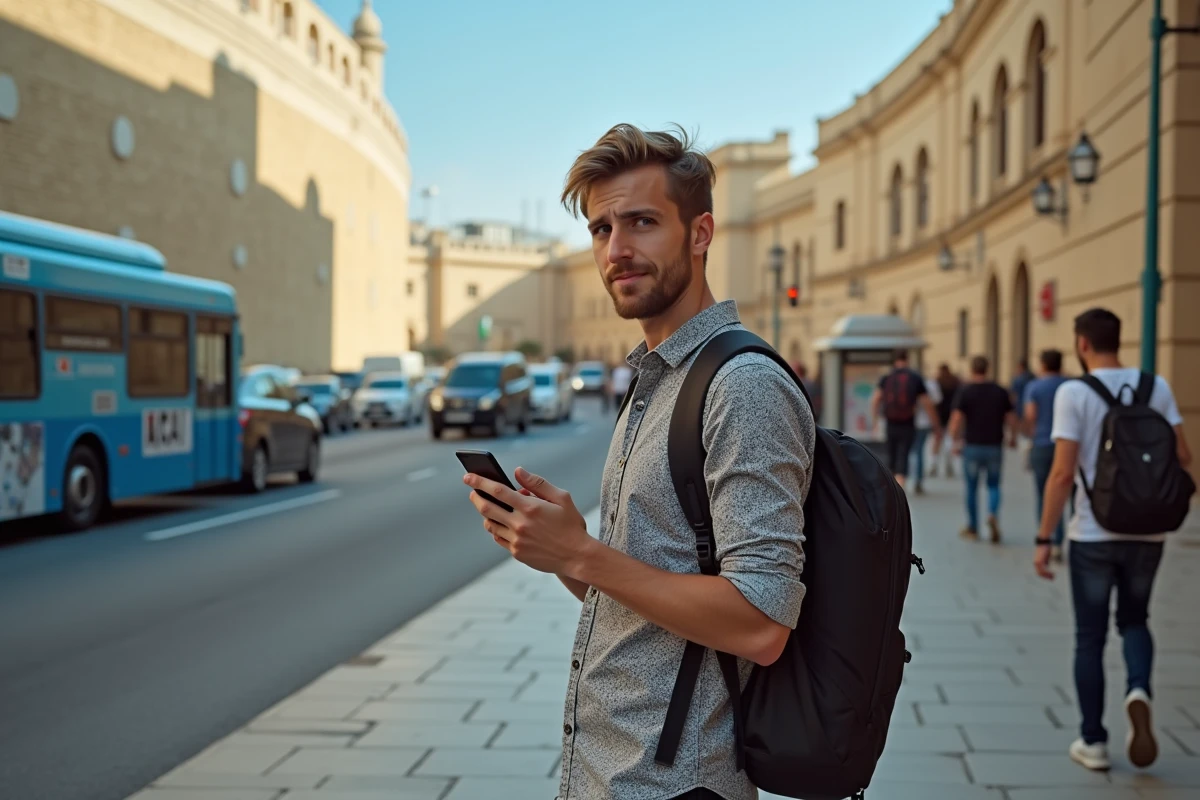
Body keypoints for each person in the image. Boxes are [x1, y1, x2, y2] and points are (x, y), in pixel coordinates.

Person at [463, 124, 814, 800]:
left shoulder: (741, 385)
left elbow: (762, 624)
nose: (616, 250)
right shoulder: (657, 380)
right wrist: (564, 551)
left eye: (642, 222)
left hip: (677, 784)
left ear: (701, 232)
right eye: (600, 229)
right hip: (607, 770)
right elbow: (647, 599)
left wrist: (584, 556)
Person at [1033, 308, 1191, 773]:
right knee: (1136, 620)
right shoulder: (1155, 386)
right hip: (1149, 531)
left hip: (1094, 533)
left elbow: (1062, 472)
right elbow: (1183, 454)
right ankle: (1138, 687)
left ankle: (1094, 741)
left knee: (1090, 637)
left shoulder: (1074, 392)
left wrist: (1045, 536)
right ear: (1117, 340)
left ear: (1082, 344)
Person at [949, 355, 1017, 542]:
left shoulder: (965, 391)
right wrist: (1013, 438)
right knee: (994, 485)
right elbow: (1011, 418)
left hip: (972, 445)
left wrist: (955, 441)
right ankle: (992, 514)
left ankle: (973, 527)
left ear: (972, 370)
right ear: (988, 369)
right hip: (994, 445)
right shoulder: (1000, 391)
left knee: (971, 487)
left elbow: (956, 420)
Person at [1022, 348, 1069, 561]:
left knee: (1044, 492)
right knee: (1067, 492)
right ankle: (1061, 540)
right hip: (1066, 446)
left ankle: (1047, 538)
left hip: (1041, 443)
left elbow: (1030, 415)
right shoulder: (1069, 385)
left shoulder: (1034, 386)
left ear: (1042, 364)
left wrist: (1029, 436)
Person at [871, 350, 940, 489]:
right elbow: (926, 403)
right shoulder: (915, 378)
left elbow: (875, 399)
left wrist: (875, 421)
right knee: (904, 454)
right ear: (907, 360)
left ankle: (891, 487)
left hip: (890, 422)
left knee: (891, 453)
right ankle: (900, 486)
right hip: (908, 422)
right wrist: (935, 423)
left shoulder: (887, 377)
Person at [911, 372, 943, 495]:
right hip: (922, 423)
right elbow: (931, 404)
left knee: (908, 451)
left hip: (905, 423)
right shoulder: (928, 385)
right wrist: (936, 425)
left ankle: (901, 477)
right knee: (918, 451)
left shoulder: (909, 383)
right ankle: (917, 480)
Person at [931, 363, 960, 478]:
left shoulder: (937, 382)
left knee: (937, 439)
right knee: (949, 439)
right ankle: (949, 465)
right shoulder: (955, 382)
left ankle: (934, 463)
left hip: (939, 414)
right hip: (951, 413)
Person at [1010, 357, 1035, 425]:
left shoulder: (1018, 378)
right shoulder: (1032, 376)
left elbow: (1013, 394)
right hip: (1032, 404)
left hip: (1020, 405)